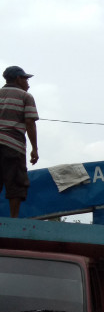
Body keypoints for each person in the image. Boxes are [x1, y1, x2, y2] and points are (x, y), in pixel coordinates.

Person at [0, 66, 39, 218]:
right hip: (13, 145)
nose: (28, 83)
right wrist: (35, 149)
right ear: (18, 79)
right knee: (16, 182)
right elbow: (30, 123)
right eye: (26, 79)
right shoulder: (25, 96)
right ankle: (13, 219)